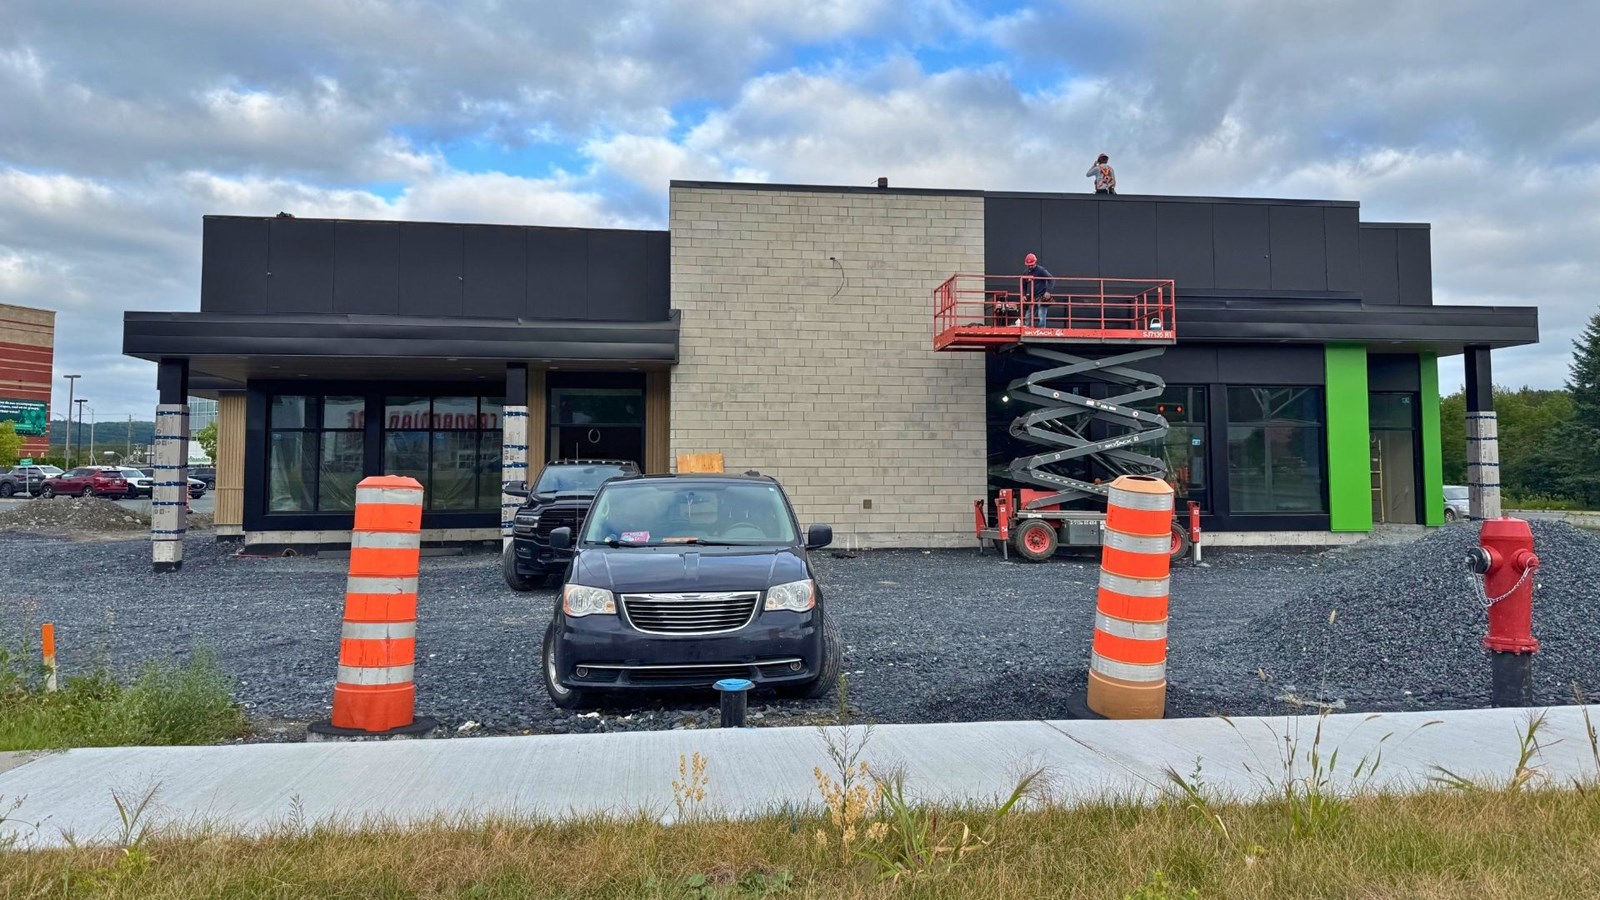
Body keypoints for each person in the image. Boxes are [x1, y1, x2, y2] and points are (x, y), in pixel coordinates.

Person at [1022, 252, 1055, 328]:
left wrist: (1048, 291)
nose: (1030, 266)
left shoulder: (1041, 270)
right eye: (1028, 265)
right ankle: (1027, 328)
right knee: (1029, 314)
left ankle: (1041, 330)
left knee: (1041, 315)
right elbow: (1024, 285)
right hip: (1032, 297)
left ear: (1035, 262)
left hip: (1041, 296)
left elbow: (1051, 279)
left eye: (1031, 264)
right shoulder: (1026, 273)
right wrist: (1023, 295)